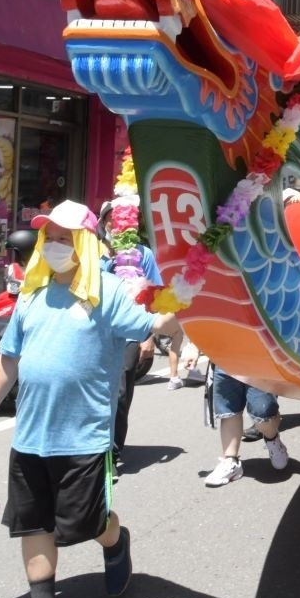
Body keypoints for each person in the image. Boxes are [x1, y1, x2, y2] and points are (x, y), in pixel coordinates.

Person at [0, 200, 179, 598]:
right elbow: (9, 360)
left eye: (65, 239)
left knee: (86, 524)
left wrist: (185, 303)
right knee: (34, 524)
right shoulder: (32, 294)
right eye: (50, 238)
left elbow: (154, 326)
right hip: (30, 436)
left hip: (83, 436)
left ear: (85, 243)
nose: (54, 246)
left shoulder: (108, 290)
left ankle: (116, 542)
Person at [96, 200, 168, 481]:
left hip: (130, 331)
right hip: (96, 332)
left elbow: (154, 295)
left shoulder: (144, 254)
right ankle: (91, 452)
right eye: (112, 220)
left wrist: (149, 336)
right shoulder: (93, 253)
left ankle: (112, 454)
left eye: (124, 220)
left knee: (121, 392)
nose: (118, 225)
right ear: (104, 224)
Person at [203, 365, 290, 486]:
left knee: (263, 414)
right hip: (223, 358)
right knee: (228, 411)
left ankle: (272, 439)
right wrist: (193, 348)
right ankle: (230, 461)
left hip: (259, 359)